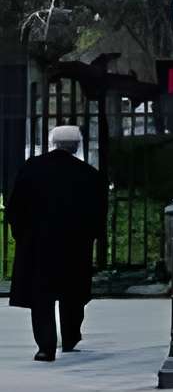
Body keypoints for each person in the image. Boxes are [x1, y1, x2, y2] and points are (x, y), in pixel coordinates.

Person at [7, 126, 107, 363]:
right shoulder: (89, 174)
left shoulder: (31, 169)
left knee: (41, 296)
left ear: (53, 142)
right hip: (74, 244)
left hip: (38, 243)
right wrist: (90, 237)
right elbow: (97, 214)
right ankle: (71, 336)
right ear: (76, 146)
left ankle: (46, 346)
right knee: (72, 293)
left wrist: (22, 235)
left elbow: (15, 207)